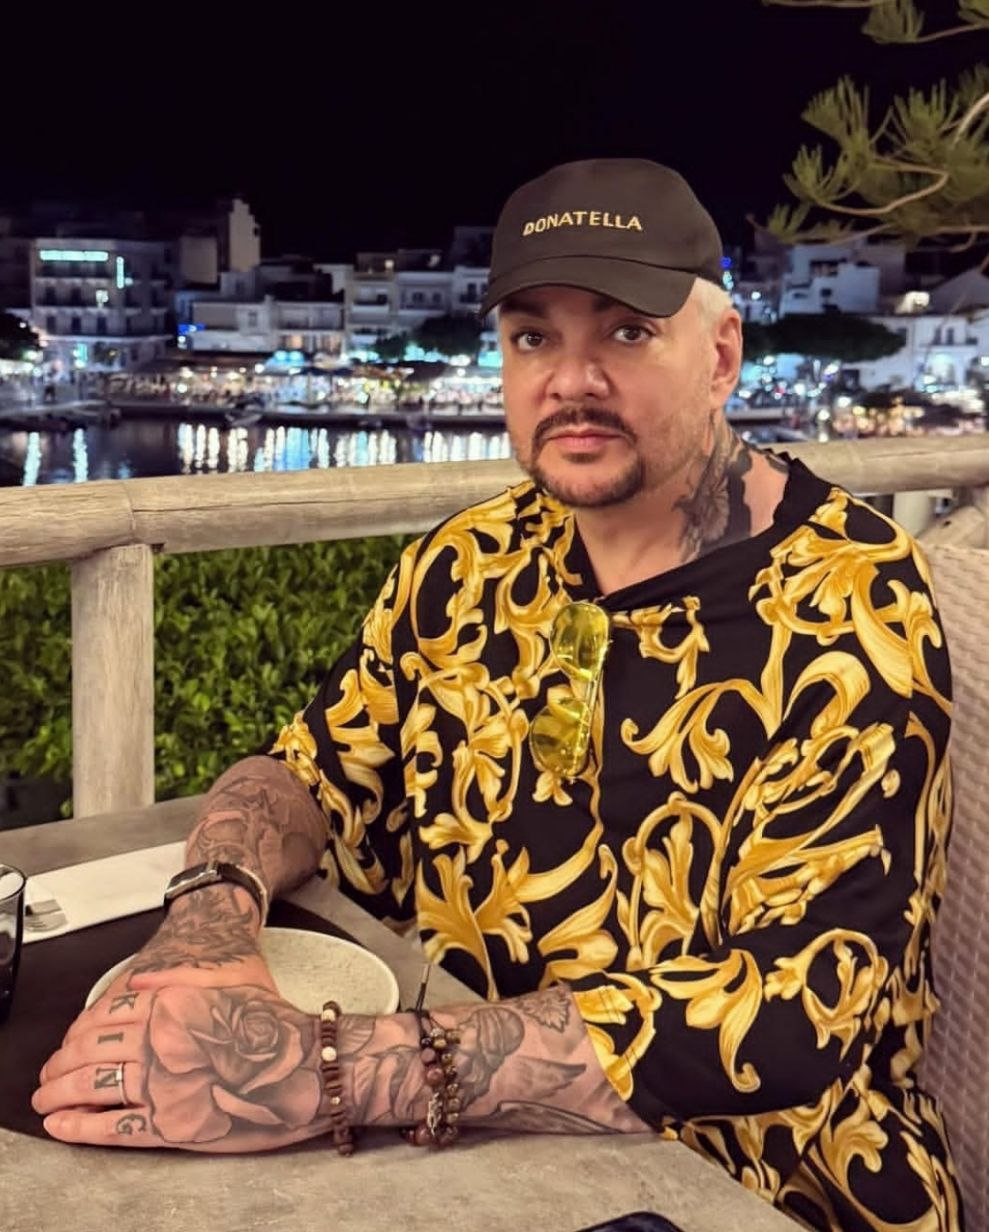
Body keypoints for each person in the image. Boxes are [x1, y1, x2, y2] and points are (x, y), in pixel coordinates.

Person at [33, 160, 960, 1231]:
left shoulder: (851, 605)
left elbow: (798, 1008)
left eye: (625, 332)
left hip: (765, 1182)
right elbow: (308, 772)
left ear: (719, 355)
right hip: (460, 1155)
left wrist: (323, 1071)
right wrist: (208, 920)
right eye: (531, 337)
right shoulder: (470, 560)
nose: (571, 380)